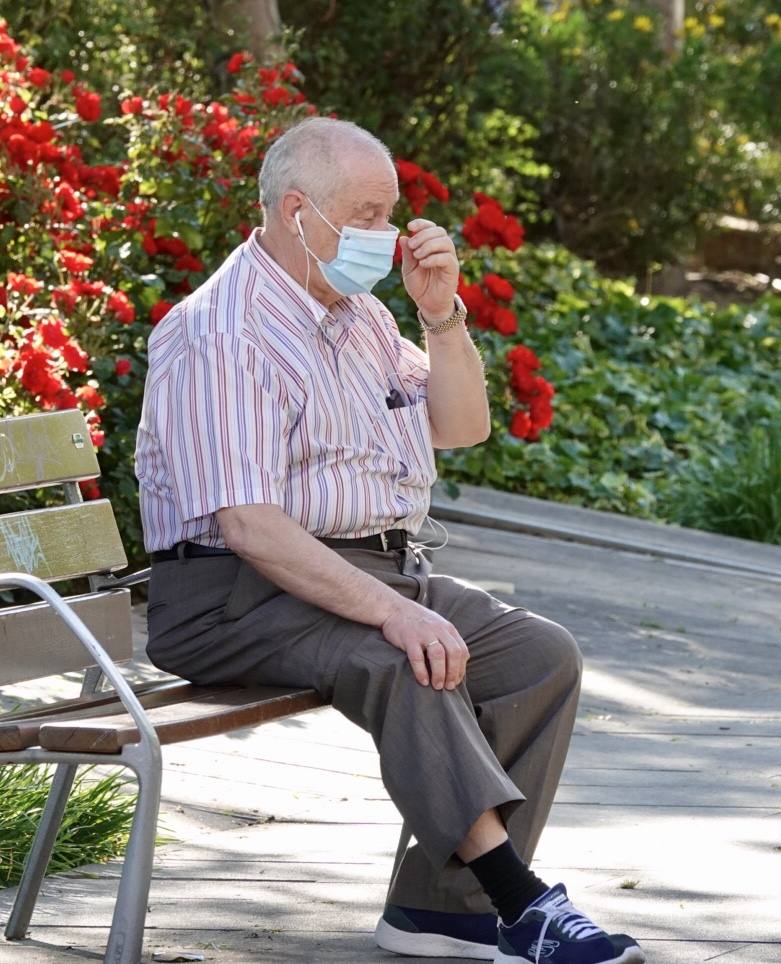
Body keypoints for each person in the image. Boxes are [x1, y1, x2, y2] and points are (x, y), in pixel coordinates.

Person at [135, 116, 645, 964]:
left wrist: (441, 317)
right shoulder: (222, 333)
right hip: (231, 594)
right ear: (297, 212)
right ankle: (521, 905)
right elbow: (249, 524)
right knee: (405, 657)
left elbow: (462, 425)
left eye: (391, 214)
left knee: (537, 655)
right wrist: (396, 615)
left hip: (356, 570)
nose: (388, 235)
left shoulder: (358, 316)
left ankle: (440, 909)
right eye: (369, 216)